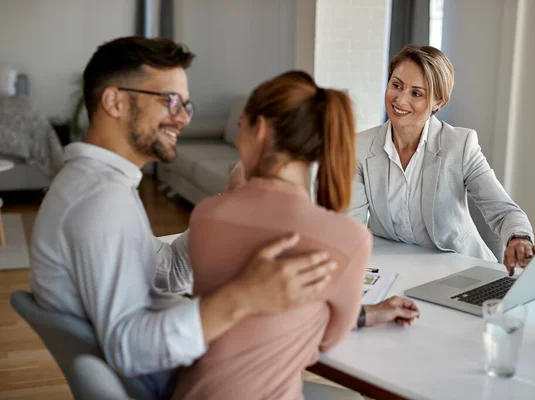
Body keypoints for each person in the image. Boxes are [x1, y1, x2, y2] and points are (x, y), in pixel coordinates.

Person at [27, 37, 417, 400]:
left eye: (185, 105)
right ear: (114, 102)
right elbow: (130, 349)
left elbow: (157, 269)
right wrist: (243, 296)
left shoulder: (96, 188)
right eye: (170, 101)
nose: (182, 119)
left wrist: (228, 206)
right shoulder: (99, 203)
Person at [171, 71, 419, 400]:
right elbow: (325, 340)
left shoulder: (205, 216)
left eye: (241, 125)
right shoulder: (348, 238)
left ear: (258, 131)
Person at [348, 45, 535, 276]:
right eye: (396, 85)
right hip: (392, 271)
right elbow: (351, 230)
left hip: (461, 271)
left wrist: (519, 238)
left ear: (438, 102)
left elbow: (503, 211)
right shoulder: (359, 147)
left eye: (416, 93)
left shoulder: (460, 146)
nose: (400, 99)